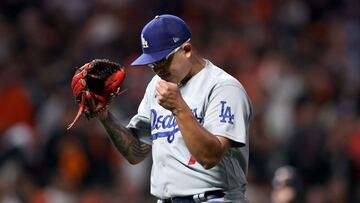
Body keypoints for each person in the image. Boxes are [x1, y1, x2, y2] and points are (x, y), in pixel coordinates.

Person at [97, 14, 253, 203]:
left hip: (214, 198)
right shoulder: (157, 85)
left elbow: (209, 157)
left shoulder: (223, 87)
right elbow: (136, 153)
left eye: (163, 60)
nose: (157, 69)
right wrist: (104, 115)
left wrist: (178, 108)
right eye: (152, 63)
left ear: (186, 50)